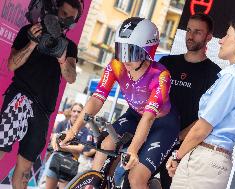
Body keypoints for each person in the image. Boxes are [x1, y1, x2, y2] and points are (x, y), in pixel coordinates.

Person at [61, 17, 180, 188]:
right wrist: (73, 131)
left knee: (135, 178)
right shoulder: (116, 66)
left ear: (147, 52)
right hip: (134, 115)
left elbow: (148, 118)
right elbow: (97, 98)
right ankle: (93, 183)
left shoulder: (160, 76)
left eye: (131, 53)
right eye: (121, 51)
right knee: (105, 144)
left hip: (162, 124)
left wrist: (132, 150)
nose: (125, 60)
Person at [166, 18, 235, 189]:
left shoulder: (232, 78)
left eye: (227, 35)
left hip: (205, 160)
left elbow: (202, 128)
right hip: (216, 160)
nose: (220, 40)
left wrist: (177, 156)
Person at [0, 0, 82, 188]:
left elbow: (71, 78)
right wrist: (31, 43)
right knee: (0, 147)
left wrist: (62, 58)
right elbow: (11, 64)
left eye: (72, 19)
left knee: (25, 169)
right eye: (64, 14)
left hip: (43, 110)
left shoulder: (69, 46)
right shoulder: (29, 31)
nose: (66, 21)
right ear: (54, 10)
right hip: (20, 98)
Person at [156, 13, 221, 189]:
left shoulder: (215, 74)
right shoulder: (167, 62)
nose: (191, 36)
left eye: (198, 32)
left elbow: (207, 118)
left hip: (182, 147)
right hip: (153, 136)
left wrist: (179, 138)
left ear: (209, 37)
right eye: (189, 30)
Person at [45, 103, 89, 189]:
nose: (76, 113)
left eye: (79, 112)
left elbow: (80, 148)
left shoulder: (84, 129)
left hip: (71, 162)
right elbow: (54, 139)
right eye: (74, 111)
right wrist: (69, 147)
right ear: (71, 112)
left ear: (82, 114)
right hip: (56, 159)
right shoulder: (63, 124)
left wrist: (63, 147)